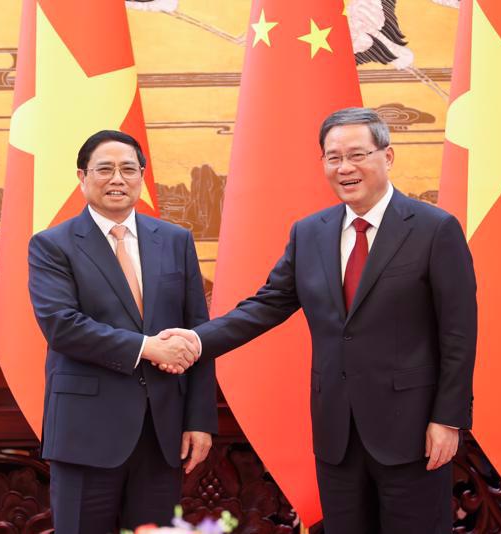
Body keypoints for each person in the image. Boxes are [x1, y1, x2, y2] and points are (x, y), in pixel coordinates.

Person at [162, 108, 477, 533]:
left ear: (388, 156)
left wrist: (448, 419)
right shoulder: (310, 232)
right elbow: (266, 304)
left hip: (414, 432)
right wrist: (197, 342)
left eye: (357, 154)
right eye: (333, 157)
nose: (345, 167)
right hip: (337, 435)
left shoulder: (434, 229)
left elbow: (458, 332)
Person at [27, 130, 218, 534]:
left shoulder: (174, 240)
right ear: (82, 177)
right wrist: (148, 347)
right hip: (85, 433)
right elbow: (63, 326)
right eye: (105, 169)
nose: (118, 178)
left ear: (141, 177)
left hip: (161, 432)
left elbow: (198, 334)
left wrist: (200, 419)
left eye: (129, 169)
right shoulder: (52, 245)